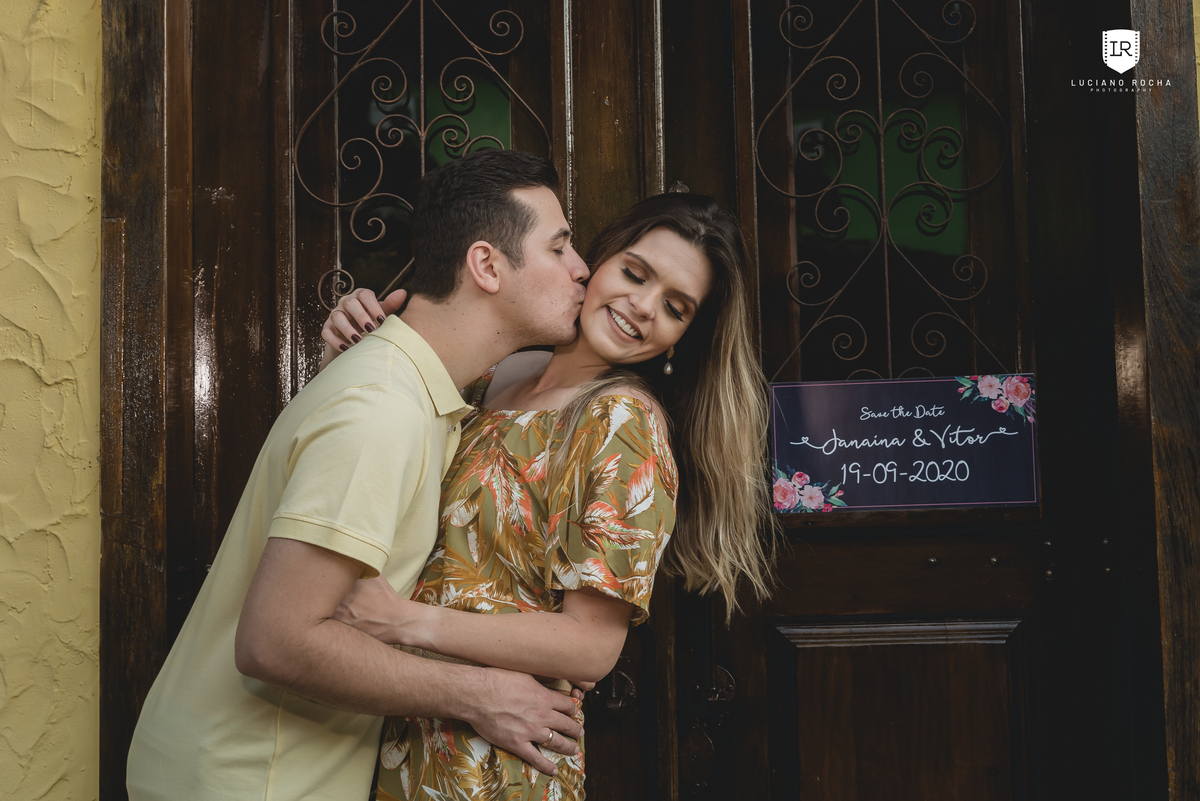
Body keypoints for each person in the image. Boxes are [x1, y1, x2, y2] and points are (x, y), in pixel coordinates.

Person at [125, 150, 599, 801]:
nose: (581, 268)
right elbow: (276, 641)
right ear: (487, 266)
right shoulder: (382, 407)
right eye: (559, 246)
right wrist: (482, 694)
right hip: (251, 779)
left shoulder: (413, 389)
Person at [320, 190, 775, 800]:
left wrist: (404, 621)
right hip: (401, 723)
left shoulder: (622, 423)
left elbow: (590, 646)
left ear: (681, 338)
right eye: (634, 273)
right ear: (594, 263)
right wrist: (353, 352)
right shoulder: (495, 374)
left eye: (675, 307)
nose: (642, 307)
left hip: (495, 757)